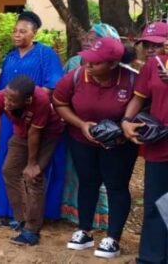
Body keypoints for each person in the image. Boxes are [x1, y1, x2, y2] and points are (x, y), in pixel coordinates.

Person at [52, 37, 137, 259]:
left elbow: (145, 109)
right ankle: (84, 230)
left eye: (95, 62)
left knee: (116, 186)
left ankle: (113, 238)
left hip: (119, 146)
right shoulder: (77, 76)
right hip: (82, 140)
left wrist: (121, 130)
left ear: (112, 64)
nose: (88, 64)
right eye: (88, 59)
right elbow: (59, 102)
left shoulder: (131, 80)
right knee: (87, 182)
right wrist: (81, 124)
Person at [0, 75, 65, 245]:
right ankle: (21, 219)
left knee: (32, 177)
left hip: (47, 135)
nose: (6, 103)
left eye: (12, 100)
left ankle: (32, 229)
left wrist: (32, 164)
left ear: (27, 100)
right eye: (6, 97)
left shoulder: (40, 100)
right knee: (9, 171)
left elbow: (35, 134)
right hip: (21, 133)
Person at [0, 11, 65, 227]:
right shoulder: (11, 56)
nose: (17, 35)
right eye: (15, 31)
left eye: (22, 31)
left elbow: (51, 86)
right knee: (8, 163)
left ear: (34, 33)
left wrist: (26, 103)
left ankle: (36, 216)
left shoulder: (45, 54)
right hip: (9, 118)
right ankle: (8, 211)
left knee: (33, 167)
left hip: (35, 117)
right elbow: (1, 90)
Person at [59, 23, 120, 232]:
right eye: (88, 37)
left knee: (105, 178)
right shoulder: (74, 64)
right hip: (77, 131)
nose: (88, 41)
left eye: (95, 38)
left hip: (111, 136)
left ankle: (101, 218)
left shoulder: (121, 72)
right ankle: (73, 214)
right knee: (79, 173)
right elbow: (61, 98)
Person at [121, 25, 168, 263]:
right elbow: (138, 97)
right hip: (159, 144)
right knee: (155, 202)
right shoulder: (152, 66)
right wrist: (126, 122)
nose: (151, 50)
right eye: (147, 45)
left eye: (157, 44)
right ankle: (151, 257)